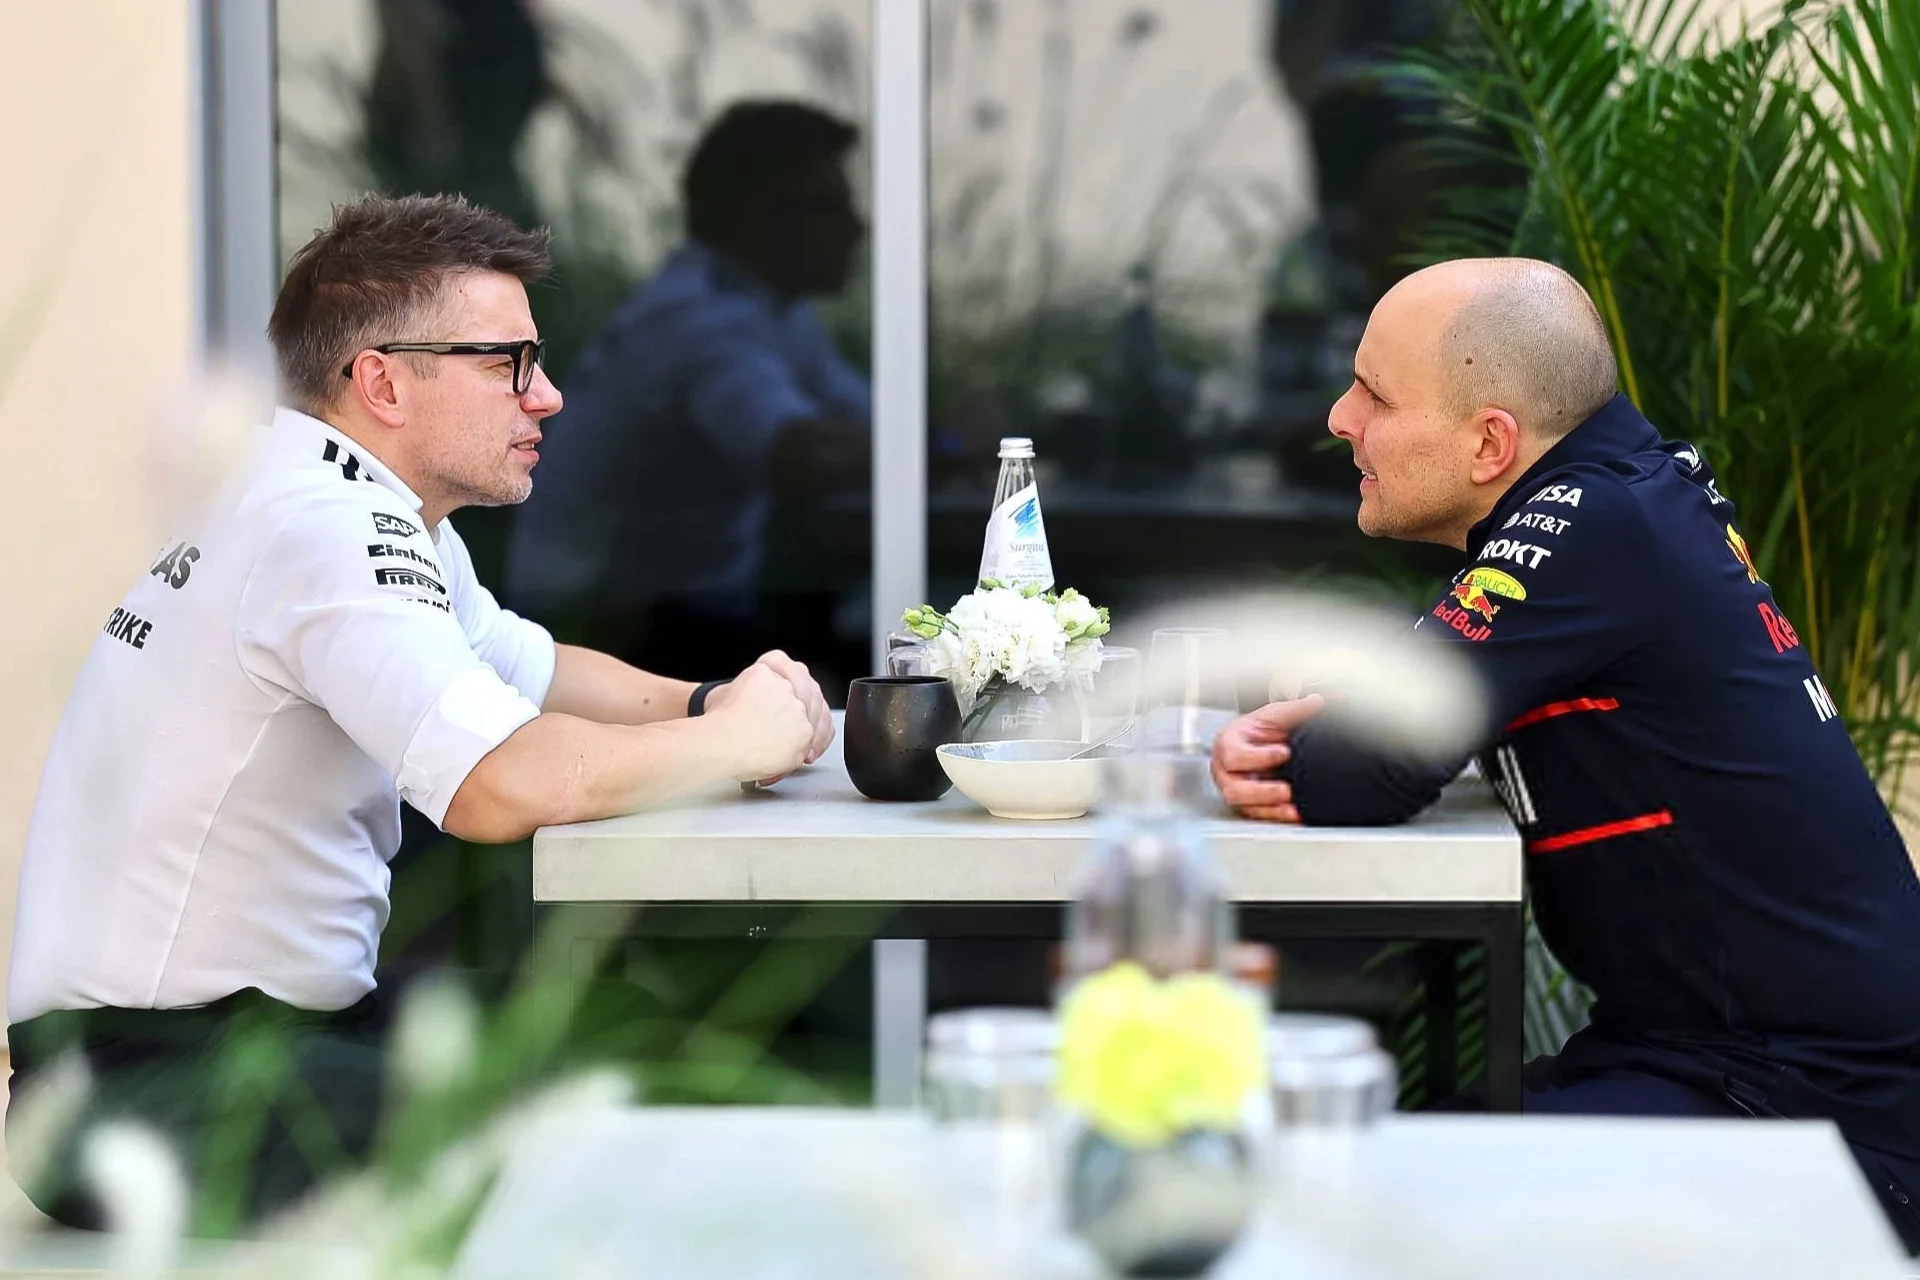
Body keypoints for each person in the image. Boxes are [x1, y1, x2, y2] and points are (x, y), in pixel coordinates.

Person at [5, 193, 834, 1228]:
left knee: (606, 1046)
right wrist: (728, 742)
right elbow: (499, 783)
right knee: (585, 1133)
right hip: (146, 1089)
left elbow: (531, 672)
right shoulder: (325, 528)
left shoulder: (343, 500)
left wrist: (715, 700)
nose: (552, 397)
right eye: (509, 365)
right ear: (382, 380)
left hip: (230, 1040)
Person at [1210, 256, 1920, 1253]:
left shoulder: (1586, 524)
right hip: (1711, 1062)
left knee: (1358, 1207)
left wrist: (1329, 730)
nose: (1338, 417)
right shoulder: (1617, 497)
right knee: (1348, 1178)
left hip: (1809, 1115)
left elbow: (1349, 771)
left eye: (1373, 393)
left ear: (1490, 441)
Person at [502, 100, 874, 688]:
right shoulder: (702, 319)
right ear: (758, 217)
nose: (859, 225)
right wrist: (954, 445)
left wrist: (941, 438)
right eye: (828, 207)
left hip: (687, 612)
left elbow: (872, 425)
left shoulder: (774, 310)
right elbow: (804, 454)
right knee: (861, 683)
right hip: (606, 629)